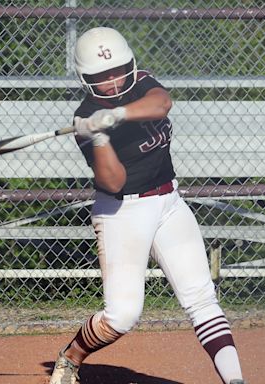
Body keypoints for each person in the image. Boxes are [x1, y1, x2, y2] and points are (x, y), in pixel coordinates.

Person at [49, 27, 246, 384]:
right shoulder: (86, 118)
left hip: (169, 202)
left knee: (201, 298)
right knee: (122, 316)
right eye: (101, 76)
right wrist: (98, 135)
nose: (112, 81)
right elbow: (113, 181)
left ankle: (235, 380)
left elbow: (162, 103)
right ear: (85, 79)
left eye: (117, 70)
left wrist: (118, 115)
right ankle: (72, 356)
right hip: (123, 213)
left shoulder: (140, 83)